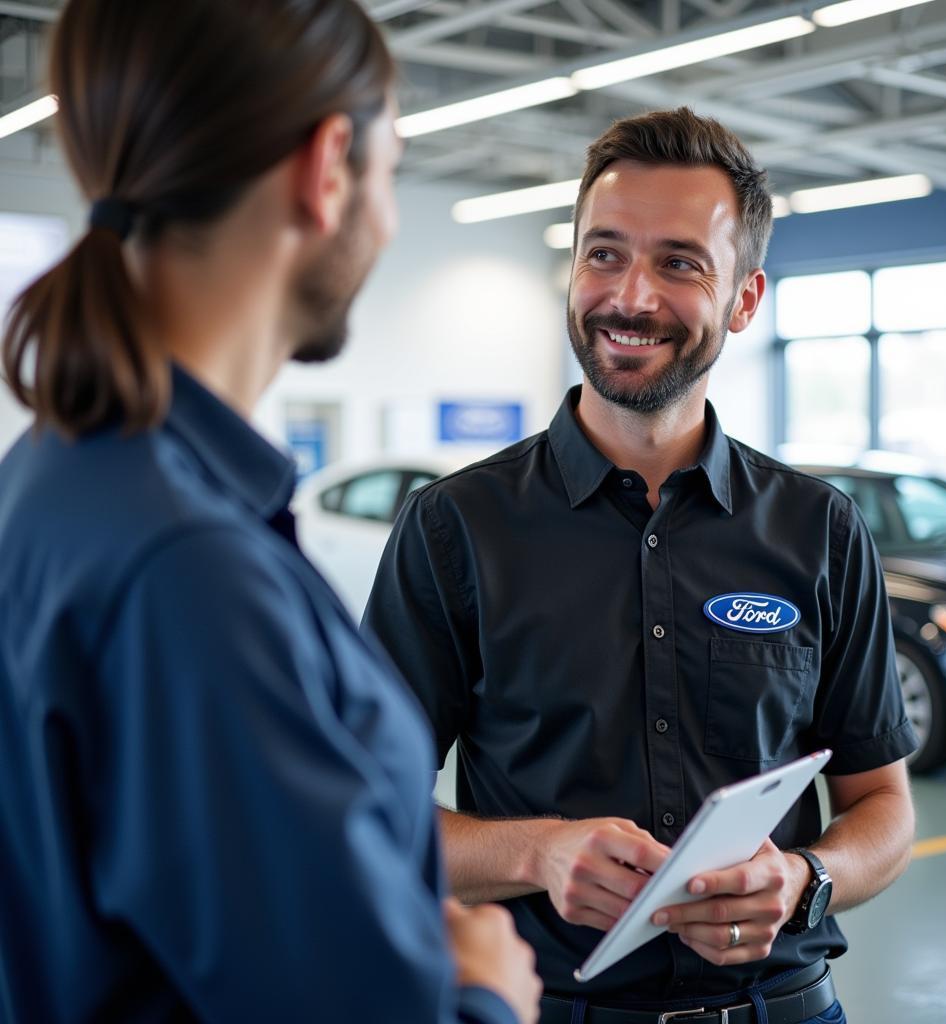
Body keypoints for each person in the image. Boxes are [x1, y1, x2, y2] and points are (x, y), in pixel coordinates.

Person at [0, 2, 543, 1022]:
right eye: (390, 171)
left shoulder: (53, 474)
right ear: (327, 167)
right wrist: (482, 990)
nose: (385, 216)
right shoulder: (187, 568)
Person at [363, 107, 918, 1024]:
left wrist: (804, 875)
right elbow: (368, 810)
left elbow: (882, 807)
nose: (631, 296)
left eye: (680, 262)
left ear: (745, 299)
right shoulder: (453, 528)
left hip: (781, 1007)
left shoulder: (821, 530)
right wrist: (534, 852)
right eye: (604, 253)